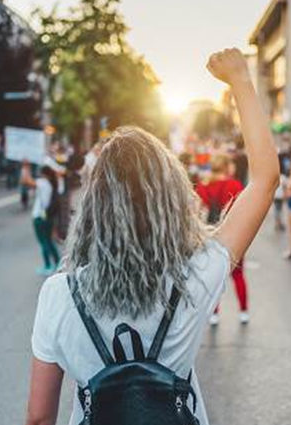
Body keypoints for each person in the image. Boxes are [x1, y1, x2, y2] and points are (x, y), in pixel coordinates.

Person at [25, 48, 278, 425]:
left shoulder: (60, 294)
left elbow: (39, 418)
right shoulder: (195, 275)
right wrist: (241, 80)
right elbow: (264, 180)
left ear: (94, 205)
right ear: (172, 198)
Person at [195, 155, 249, 325]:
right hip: (234, 235)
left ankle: (214, 313)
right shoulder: (235, 185)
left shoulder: (203, 186)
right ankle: (243, 311)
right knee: (238, 275)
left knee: (213, 276)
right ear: (226, 167)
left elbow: (196, 213)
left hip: (212, 236)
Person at [21, 163, 61, 276]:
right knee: (49, 241)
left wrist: (25, 166)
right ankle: (57, 263)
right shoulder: (51, 184)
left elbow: (26, 181)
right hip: (48, 217)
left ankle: (48, 266)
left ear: (45, 175)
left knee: (44, 242)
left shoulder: (43, 183)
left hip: (40, 217)